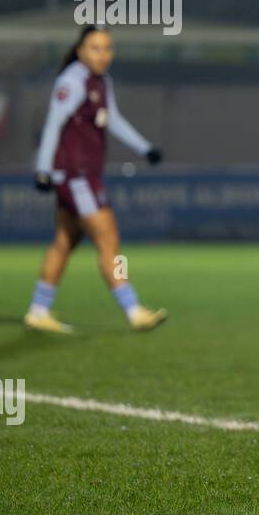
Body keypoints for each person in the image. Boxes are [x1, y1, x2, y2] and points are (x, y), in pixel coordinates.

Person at [23, 25, 168, 333]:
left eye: (107, 48)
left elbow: (112, 119)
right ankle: (134, 311)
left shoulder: (101, 81)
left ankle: (38, 310)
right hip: (77, 178)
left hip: (82, 177)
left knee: (64, 242)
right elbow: (53, 125)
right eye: (95, 48)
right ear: (80, 51)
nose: (103, 55)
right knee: (108, 240)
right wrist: (43, 169)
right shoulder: (72, 82)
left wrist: (145, 148)